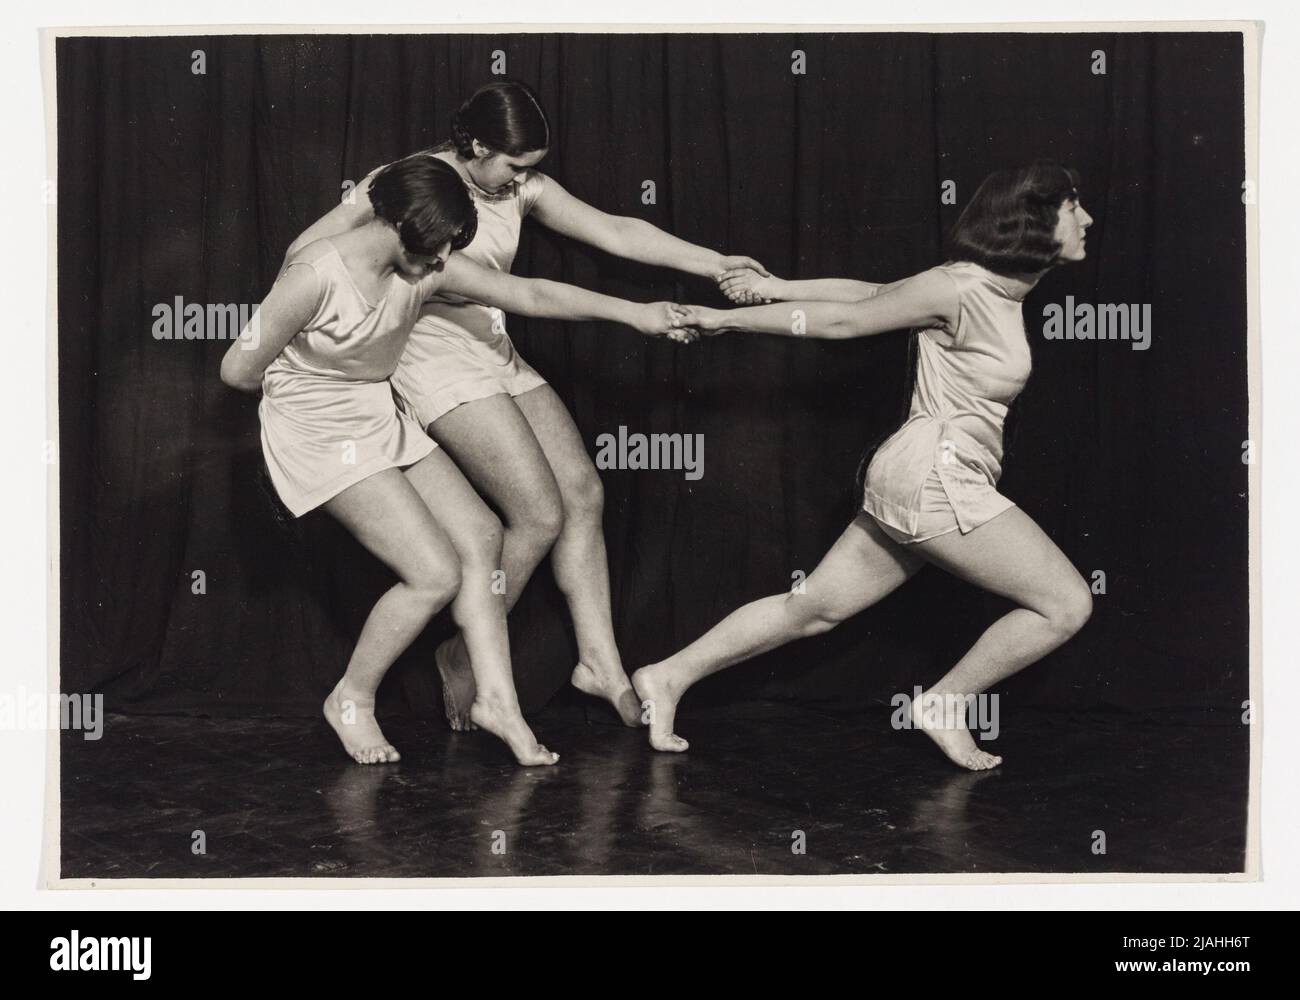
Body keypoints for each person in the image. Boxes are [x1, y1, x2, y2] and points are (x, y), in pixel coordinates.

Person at [285, 80, 763, 730]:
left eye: (532, 168)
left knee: (582, 492)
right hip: (427, 351)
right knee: (537, 514)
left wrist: (715, 263)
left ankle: (599, 664)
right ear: (475, 144)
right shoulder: (409, 183)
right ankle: (467, 658)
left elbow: (616, 232)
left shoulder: (519, 185)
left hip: (489, 338)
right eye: (513, 165)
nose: (522, 180)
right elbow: (307, 252)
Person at [222, 155, 685, 766]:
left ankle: (499, 702)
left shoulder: (423, 265)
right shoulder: (314, 273)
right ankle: (352, 698)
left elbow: (530, 294)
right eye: (437, 250)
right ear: (396, 228)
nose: (445, 263)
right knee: (434, 573)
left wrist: (634, 314)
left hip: (378, 411)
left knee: (484, 534)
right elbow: (238, 369)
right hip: (319, 428)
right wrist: (318, 404)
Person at [634, 162, 1095, 771]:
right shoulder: (960, 287)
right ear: (1035, 218)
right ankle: (945, 703)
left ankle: (667, 675)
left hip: (918, 476)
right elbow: (849, 321)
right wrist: (724, 320)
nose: (1086, 218)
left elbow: (872, 295)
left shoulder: (992, 288)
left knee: (814, 608)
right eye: (1072, 206)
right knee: (1065, 604)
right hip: (936, 477)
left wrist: (778, 286)